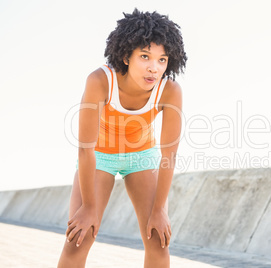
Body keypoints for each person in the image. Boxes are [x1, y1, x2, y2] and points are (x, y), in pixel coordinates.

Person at [58, 8, 187, 268]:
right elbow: (86, 150)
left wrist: (160, 209)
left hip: (142, 156)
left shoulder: (169, 90)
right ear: (126, 56)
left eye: (162, 60)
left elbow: (168, 154)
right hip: (99, 157)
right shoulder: (100, 81)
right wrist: (90, 207)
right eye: (145, 56)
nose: (154, 68)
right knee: (79, 240)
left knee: (158, 241)